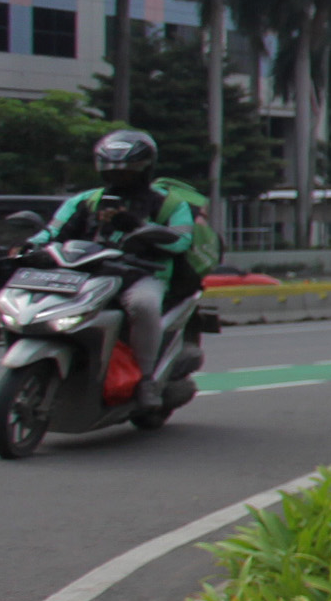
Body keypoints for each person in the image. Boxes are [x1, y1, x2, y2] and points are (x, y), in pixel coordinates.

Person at [39, 129, 213, 412]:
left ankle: (146, 380)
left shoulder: (168, 203)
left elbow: (180, 241)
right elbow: (52, 232)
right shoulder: (84, 201)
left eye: (128, 171)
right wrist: (26, 247)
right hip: (87, 274)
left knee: (144, 306)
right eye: (112, 170)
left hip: (144, 275)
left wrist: (132, 224)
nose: (120, 177)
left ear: (145, 168)